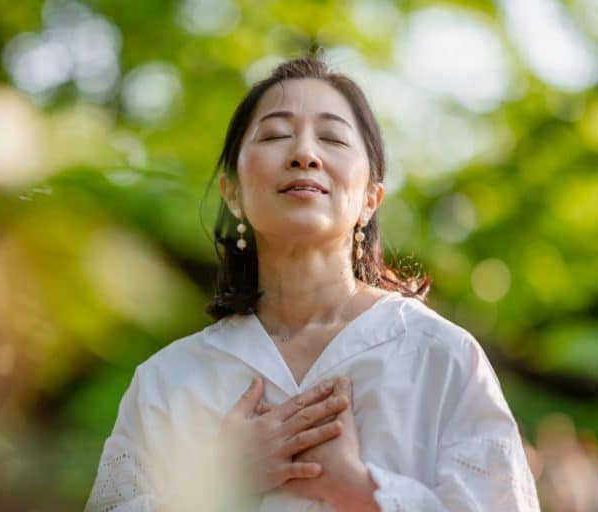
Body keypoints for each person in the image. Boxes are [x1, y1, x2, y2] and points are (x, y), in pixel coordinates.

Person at [85, 56, 540, 512]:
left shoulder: (441, 357)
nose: (305, 154)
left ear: (370, 199)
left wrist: (361, 490)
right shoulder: (169, 381)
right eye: (276, 135)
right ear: (233, 193)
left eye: (333, 138)